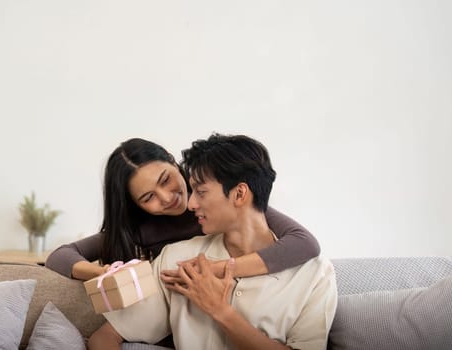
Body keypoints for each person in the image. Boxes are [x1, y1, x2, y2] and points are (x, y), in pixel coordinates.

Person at [89, 133, 338, 350]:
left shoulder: (315, 274)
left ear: (240, 194)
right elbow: (104, 338)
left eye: (201, 192)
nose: (190, 203)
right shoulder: (176, 261)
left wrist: (221, 311)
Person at [45, 138, 320, 281]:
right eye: (149, 197)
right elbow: (60, 256)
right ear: (136, 205)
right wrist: (102, 273)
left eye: (166, 179)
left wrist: (217, 269)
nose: (167, 198)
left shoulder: (220, 202)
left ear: (172, 161)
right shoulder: (141, 230)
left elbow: (304, 243)